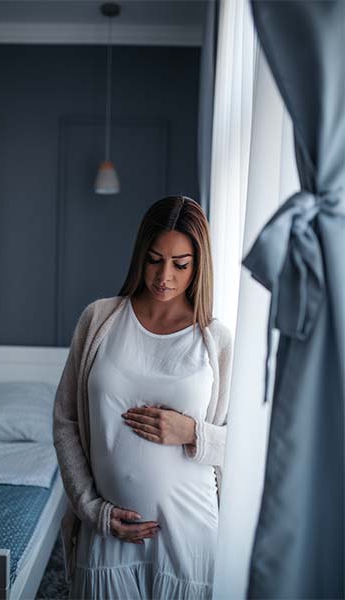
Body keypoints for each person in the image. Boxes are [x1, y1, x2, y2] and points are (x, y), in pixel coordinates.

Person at [53, 195, 233, 599]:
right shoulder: (99, 320)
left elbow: (249, 445)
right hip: (109, 531)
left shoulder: (215, 341)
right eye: (154, 259)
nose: (164, 276)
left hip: (189, 534)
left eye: (180, 264)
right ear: (140, 256)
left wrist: (193, 432)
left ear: (198, 265)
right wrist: (92, 510)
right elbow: (65, 421)